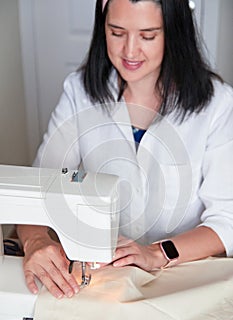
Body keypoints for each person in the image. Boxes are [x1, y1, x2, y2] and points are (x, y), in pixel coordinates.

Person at [17, 0, 233, 299]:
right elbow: (37, 190)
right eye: (117, 32)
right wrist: (36, 241)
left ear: (174, 33)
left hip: (184, 278)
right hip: (104, 276)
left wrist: (157, 254)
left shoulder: (218, 105)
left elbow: (227, 219)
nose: (130, 51)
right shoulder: (79, 91)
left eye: (148, 35)